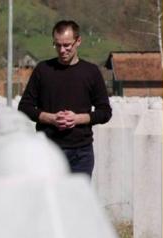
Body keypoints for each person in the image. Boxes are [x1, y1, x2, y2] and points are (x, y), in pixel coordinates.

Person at [18, 20, 112, 177]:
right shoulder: (43, 70)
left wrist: (77, 119)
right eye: (57, 45)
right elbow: (24, 107)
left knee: (77, 201)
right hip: (47, 150)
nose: (62, 50)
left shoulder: (91, 72)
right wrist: (50, 118)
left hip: (81, 153)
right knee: (48, 201)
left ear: (78, 41)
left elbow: (105, 112)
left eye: (67, 45)